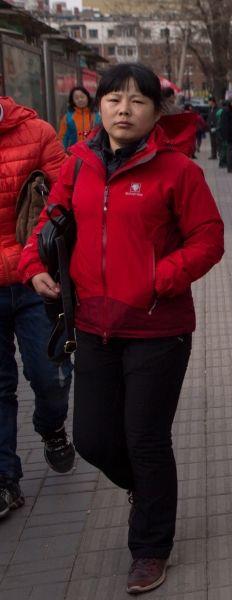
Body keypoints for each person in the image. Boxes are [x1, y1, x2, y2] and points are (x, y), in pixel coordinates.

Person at [20, 62, 224, 594]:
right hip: (91, 323)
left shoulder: (178, 171)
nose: (124, 109)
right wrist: (33, 265)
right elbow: (49, 221)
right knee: (92, 438)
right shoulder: (79, 165)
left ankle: (150, 547)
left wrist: (162, 277)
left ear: (156, 111)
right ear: (99, 108)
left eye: (138, 101)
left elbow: (208, 238)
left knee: (146, 439)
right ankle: (151, 493)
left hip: (158, 327)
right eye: (114, 99)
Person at [0, 95, 74, 520]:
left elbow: (62, 204)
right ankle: (5, 479)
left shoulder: (38, 132)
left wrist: (39, 260)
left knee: (49, 376)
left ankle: (51, 426)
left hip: (35, 277)